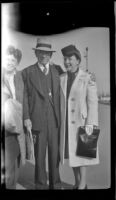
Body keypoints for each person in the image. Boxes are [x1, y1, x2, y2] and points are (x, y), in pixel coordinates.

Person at [22, 38, 61, 189]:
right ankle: (40, 186)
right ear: (36, 53)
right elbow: (23, 96)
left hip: (54, 121)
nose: (44, 56)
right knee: (39, 157)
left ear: (51, 55)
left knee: (54, 156)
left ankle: (56, 185)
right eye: (41, 52)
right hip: (36, 120)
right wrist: (26, 117)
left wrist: (90, 78)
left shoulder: (58, 71)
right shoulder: (27, 72)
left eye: (47, 53)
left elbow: (73, 77)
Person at [60, 44, 99, 189]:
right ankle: (77, 182)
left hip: (82, 123)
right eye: (65, 59)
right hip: (67, 125)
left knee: (82, 155)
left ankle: (82, 185)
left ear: (78, 60)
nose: (67, 62)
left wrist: (91, 125)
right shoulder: (62, 78)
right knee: (72, 155)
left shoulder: (88, 78)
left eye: (70, 58)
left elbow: (93, 104)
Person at [2, 45, 26, 189]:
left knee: (14, 163)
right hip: (5, 125)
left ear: (17, 63)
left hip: (17, 125)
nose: (10, 62)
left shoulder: (20, 77)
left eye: (13, 60)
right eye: (7, 59)